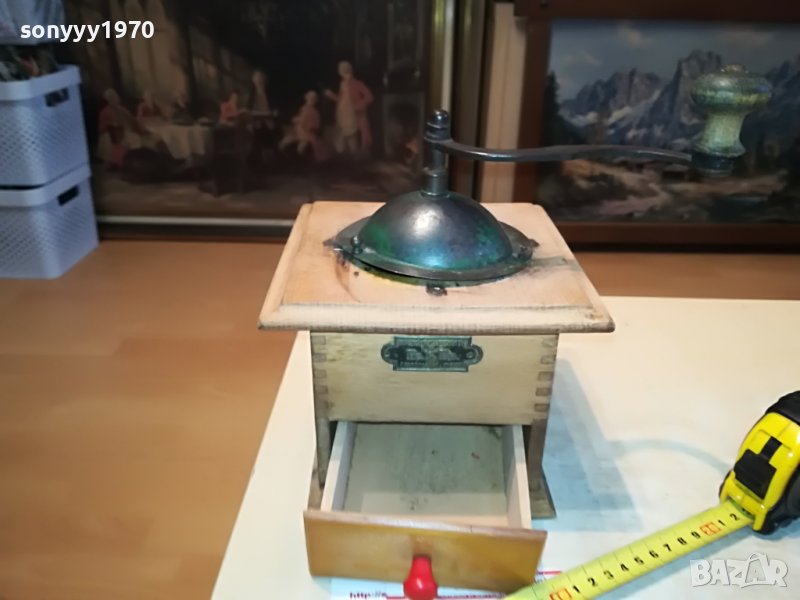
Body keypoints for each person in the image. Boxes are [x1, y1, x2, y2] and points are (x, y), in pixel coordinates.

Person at [325, 60, 374, 156]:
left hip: (352, 115)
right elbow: (340, 99)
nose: (343, 75)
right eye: (342, 72)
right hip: (342, 115)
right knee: (342, 140)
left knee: (351, 137)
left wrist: (358, 105)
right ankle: (347, 157)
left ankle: (354, 157)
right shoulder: (342, 84)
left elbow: (369, 97)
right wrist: (331, 95)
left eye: (344, 72)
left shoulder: (357, 83)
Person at [97, 88, 142, 168]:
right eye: (112, 97)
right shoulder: (104, 111)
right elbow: (101, 128)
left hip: (123, 132)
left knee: (134, 138)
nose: (115, 99)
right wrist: (110, 127)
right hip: (110, 135)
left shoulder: (121, 109)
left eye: (115, 96)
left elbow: (132, 120)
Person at [279, 91, 326, 162]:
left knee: (301, 147)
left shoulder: (315, 112)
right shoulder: (303, 108)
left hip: (308, 134)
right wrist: (297, 120)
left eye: (313, 99)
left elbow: (316, 125)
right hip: (299, 131)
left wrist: (311, 127)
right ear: (306, 99)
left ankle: (302, 161)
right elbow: (298, 119)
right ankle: (284, 159)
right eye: (310, 99)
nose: (311, 101)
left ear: (315, 101)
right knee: (284, 142)